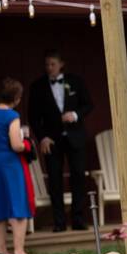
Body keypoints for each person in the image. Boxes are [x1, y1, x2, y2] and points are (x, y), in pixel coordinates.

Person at [28, 49, 93, 232]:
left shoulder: (75, 81)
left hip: (75, 137)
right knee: (55, 179)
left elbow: (88, 104)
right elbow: (33, 117)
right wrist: (42, 137)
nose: (49, 68)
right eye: (47, 64)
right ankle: (59, 222)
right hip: (52, 140)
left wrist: (75, 114)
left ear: (61, 64)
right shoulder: (38, 86)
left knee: (78, 176)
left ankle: (78, 219)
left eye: (53, 64)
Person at [0, 78, 32, 254]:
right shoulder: (12, 116)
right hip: (10, 163)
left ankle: (1, 249)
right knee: (18, 202)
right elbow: (16, 145)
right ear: (16, 98)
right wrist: (26, 142)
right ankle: (19, 249)